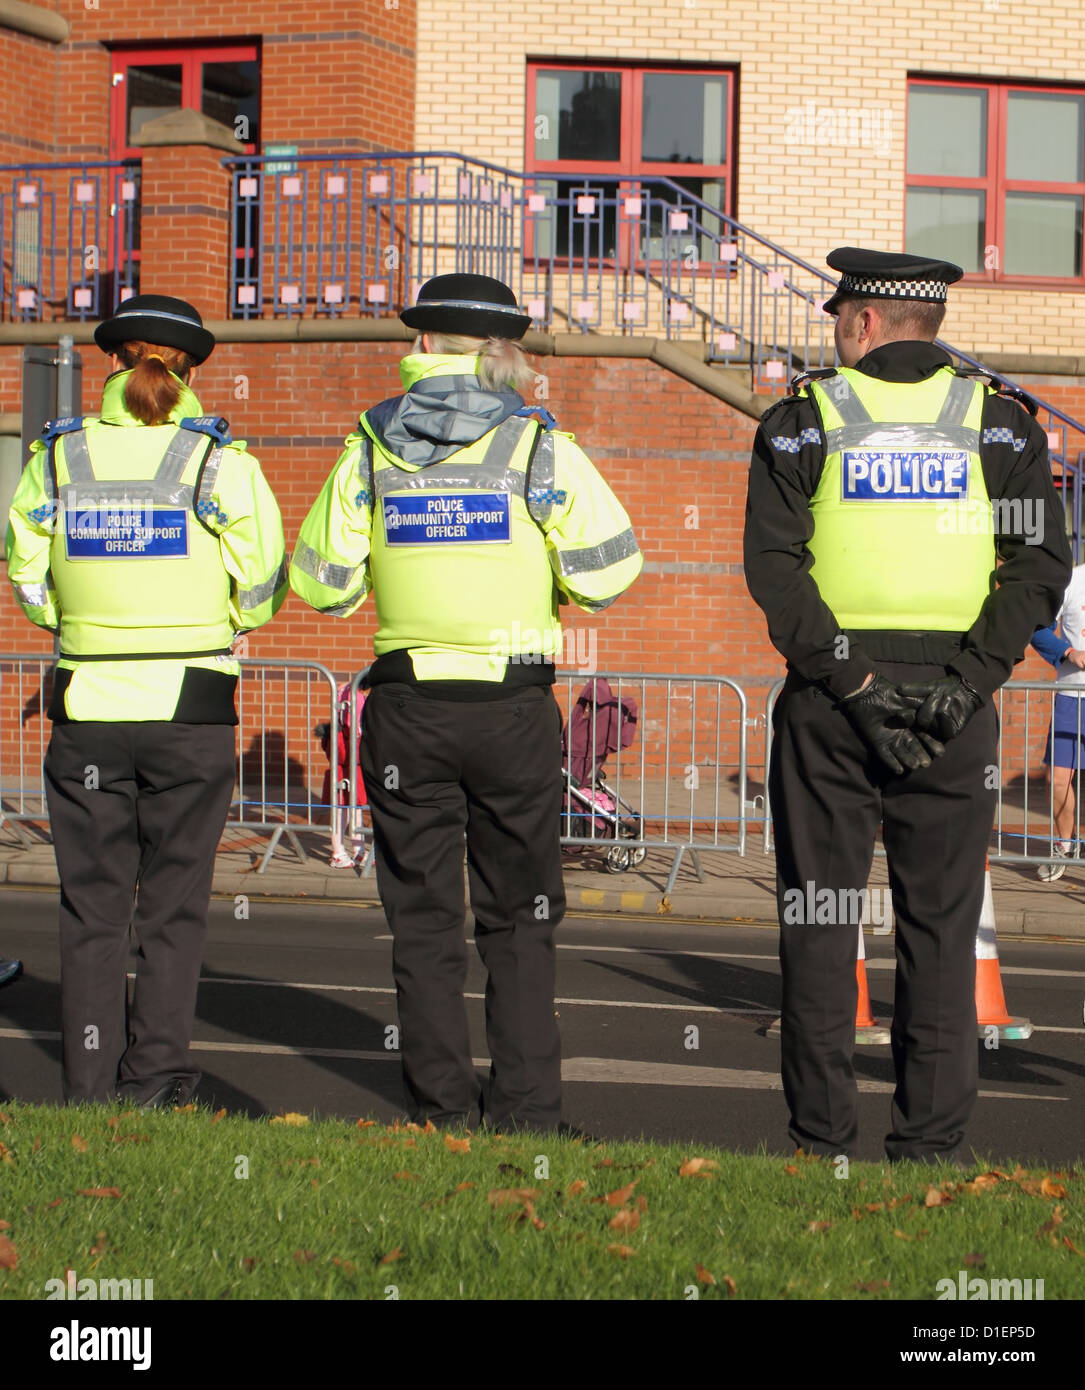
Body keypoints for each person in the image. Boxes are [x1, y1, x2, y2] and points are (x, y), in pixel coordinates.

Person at [289, 273, 642, 1132]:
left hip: (408, 707)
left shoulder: (368, 446)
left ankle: (440, 1113)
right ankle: (527, 1112)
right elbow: (609, 570)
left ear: (421, 349)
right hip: (512, 707)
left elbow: (319, 584)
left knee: (421, 921)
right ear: (500, 354)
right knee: (520, 920)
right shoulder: (535, 446)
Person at [744, 248, 1071, 1163]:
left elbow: (775, 569)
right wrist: (968, 681)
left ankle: (820, 1146)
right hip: (952, 700)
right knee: (939, 924)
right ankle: (927, 1146)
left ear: (859, 323)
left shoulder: (805, 422)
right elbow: (1036, 567)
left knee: (818, 918)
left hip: (828, 696)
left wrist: (849, 682)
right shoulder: (997, 426)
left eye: (834, 320)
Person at [5, 295, 286, 1108]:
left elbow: (26, 572)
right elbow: (261, 583)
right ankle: (155, 1082)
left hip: (87, 706)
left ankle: (88, 1087)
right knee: (172, 910)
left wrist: (76, 626)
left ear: (113, 362)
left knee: (90, 911)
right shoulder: (219, 463)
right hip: (191, 707)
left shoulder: (56, 459)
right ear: (188, 368)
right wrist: (213, 626)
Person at [1031, 563, 1085, 879]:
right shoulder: (1071, 580)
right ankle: (1065, 847)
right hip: (1071, 698)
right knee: (1059, 781)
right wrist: (1067, 652)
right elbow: (1037, 628)